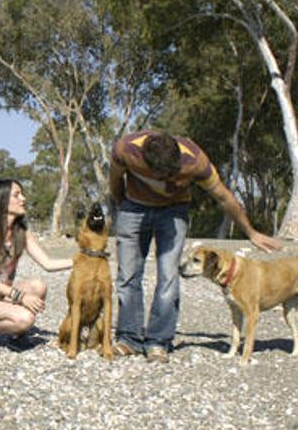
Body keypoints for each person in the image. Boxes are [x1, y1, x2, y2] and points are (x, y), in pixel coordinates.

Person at [109, 130, 281, 363]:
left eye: (170, 173)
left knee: (169, 275)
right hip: (133, 208)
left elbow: (223, 196)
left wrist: (250, 231)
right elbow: (116, 179)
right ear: (144, 159)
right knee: (127, 275)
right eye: (159, 174)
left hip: (173, 211)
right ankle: (129, 338)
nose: (163, 180)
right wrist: (123, 209)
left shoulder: (195, 161)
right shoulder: (126, 149)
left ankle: (158, 342)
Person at [0, 179, 73, 350]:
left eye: (22, 194)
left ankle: (17, 335)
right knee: (25, 319)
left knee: (38, 286)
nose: (23, 198)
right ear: (2, 200)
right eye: (17, 195)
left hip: (3, 296)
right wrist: (21, 297)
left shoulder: (22, 232)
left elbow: (48, 264)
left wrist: (82, 260)